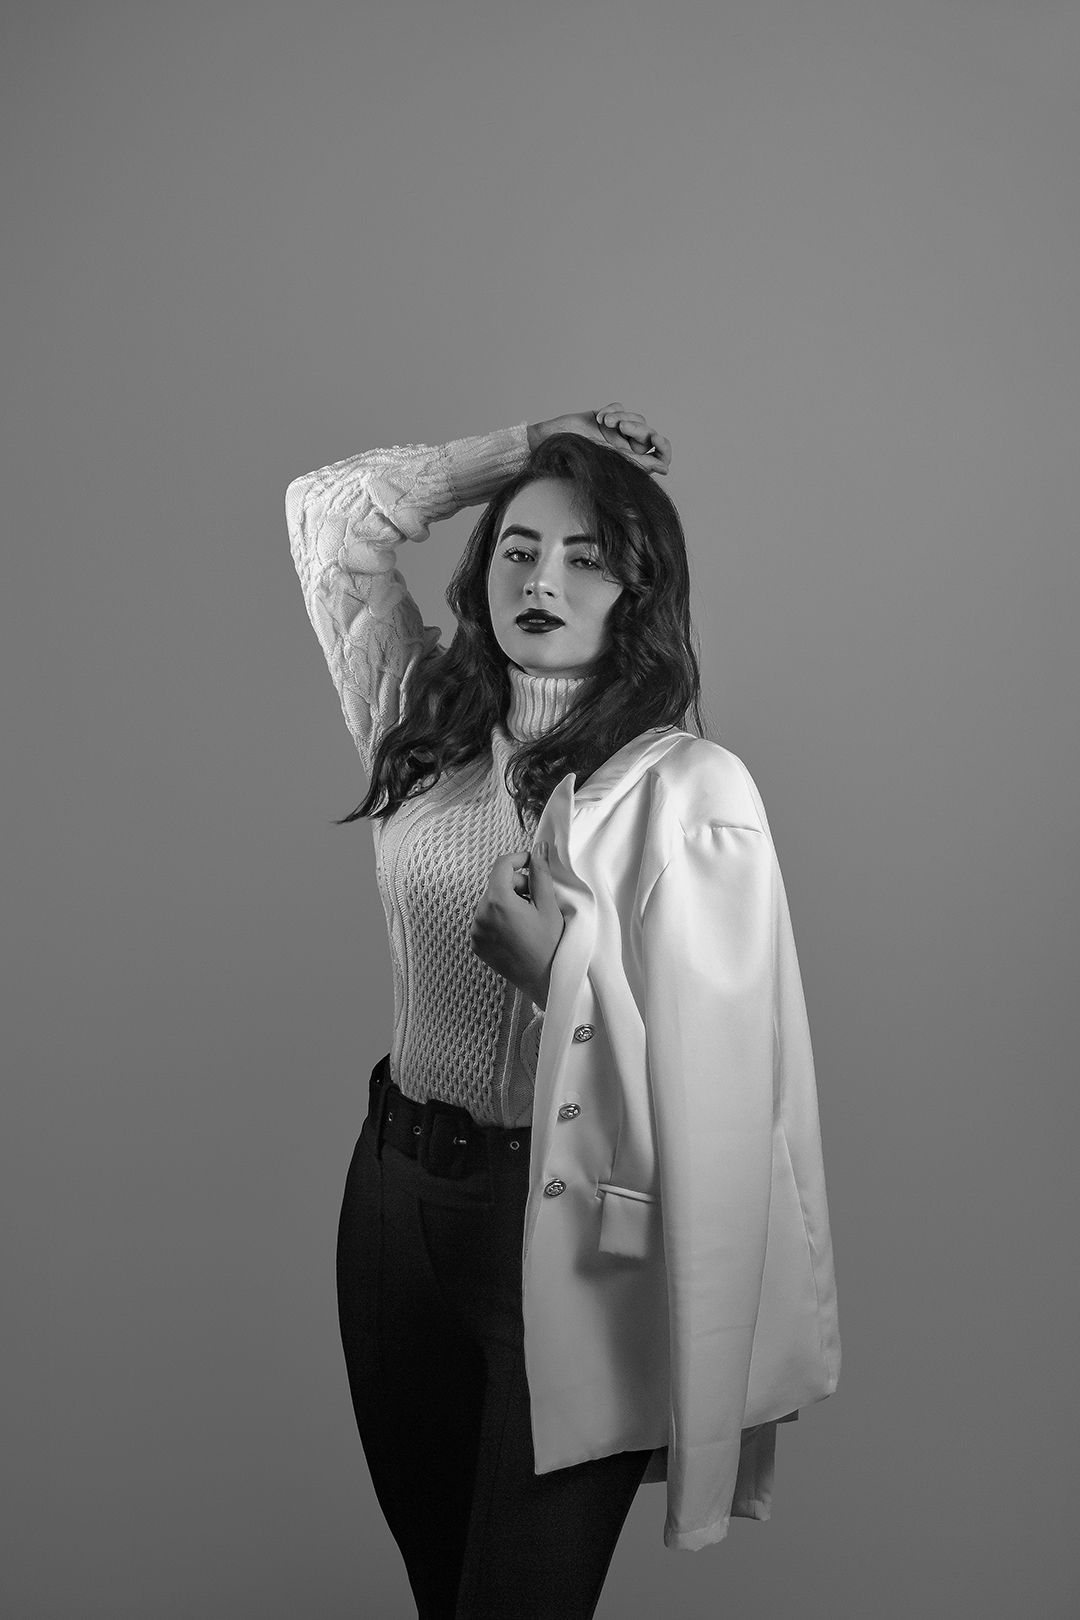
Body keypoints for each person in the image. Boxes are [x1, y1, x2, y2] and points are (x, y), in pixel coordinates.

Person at [285, 405, 840, 1620]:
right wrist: (528, 445)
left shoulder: (688, 789)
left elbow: (730, 1088)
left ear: (639, 593)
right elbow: (327, 515)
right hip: (394, 1207)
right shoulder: (424, 722)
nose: (543, 579)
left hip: (572, 1237)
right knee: (444, 1594)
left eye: (588, 558)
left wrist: (562, 976)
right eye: (519, 548)